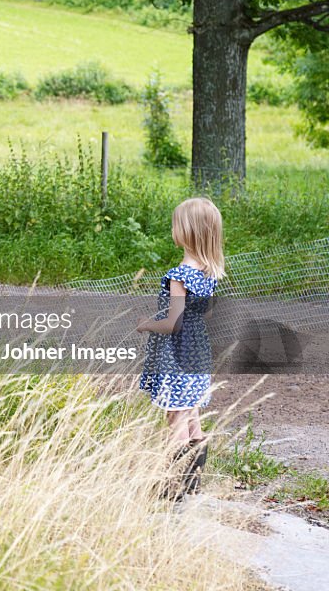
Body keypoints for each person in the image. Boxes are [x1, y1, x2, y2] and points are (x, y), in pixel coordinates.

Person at [136, 197, 225, 499]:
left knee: (176, 419)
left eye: (176, 224)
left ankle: (170, 485)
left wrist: (148, 324)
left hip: (177, 359)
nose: (173, 229)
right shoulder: (208, 272)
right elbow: (203, 315)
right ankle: (192, 482)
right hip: (198, 354)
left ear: (186, 232)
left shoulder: (179, 276)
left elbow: (173, 323)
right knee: (192, 415)